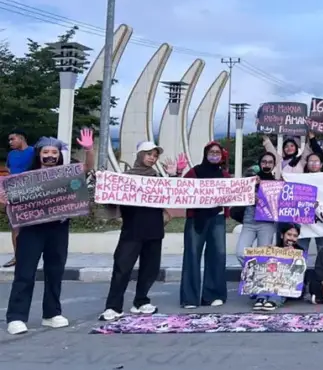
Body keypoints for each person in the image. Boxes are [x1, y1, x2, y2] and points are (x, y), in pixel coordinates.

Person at [4, 130, 95, 335]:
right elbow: (11, 198)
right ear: (39, 154)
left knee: (55, 272)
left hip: (58, 228)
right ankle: (16, 317)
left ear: (59, 155)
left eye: (54, 152)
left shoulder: (67, 174)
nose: (50, 155)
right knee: (25, 274)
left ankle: (52, 314)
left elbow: (88, 167)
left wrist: (89, 150)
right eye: (46, 152)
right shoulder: (26, 178)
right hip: (31, 230)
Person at [99, 142, 179, 322]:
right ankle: (113, 306)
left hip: (154, 230)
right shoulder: (125, 178)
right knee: (122, 268)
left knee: (150, 269)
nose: (152, 158)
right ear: (140, 155)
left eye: (155, 155)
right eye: (149, 154)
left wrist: (173, 175)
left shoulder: (158, 178)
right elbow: (111, 200)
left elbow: (175, 193)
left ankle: (141, 301)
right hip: (132, 230)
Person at [180, 141, 230, 309]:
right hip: (196, 218)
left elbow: (235, 193)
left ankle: (213, 295)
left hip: (217, 218)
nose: (215, 155)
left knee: (218, 255)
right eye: (211, 152)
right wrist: (176, 174)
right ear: (205, 154)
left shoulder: (224, 175)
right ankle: (190, 298)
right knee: (192, 256)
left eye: (217, 152)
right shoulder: (194, 172)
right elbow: (180, 190)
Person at [235, 153, 279, 265]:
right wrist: (251, 190)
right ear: (259, 163)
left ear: (274, 165)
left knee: (263, 256)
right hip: (250, 220)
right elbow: (238, 193)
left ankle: (257, 279)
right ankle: (251, 273)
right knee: (241, 252)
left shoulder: (277, 183)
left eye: (270, 162)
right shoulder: (250, 179)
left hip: (267, 222)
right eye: (264, 161)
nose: (267, 164)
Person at [252, 222, 305, 311]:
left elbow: (299, 272)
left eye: (295, 236)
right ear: (282, 235)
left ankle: (274, 300)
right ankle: (261, 298)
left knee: (279, 288)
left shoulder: (300, 251)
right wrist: (267, 253)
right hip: (272, 281)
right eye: (289, 234)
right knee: (266, 281)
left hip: (289, 284)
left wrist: (293, 256)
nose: (291, 238)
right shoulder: (275, 248)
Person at [4, 129, 36, 268]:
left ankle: (31, 256)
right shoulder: (11, 154)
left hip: (32, 193)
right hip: (13, 194)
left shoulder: (34, 152)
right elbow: (8, 170)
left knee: (31, 226)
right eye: (9, 140)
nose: (10, 142)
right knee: (15, 226)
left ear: (21, 139)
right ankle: (17, 257)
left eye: (13, 139)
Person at [296, 152, 323, 254]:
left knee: (322, 249)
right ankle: (300, 269)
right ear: (307, 164)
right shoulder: (299, 179)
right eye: (311, 161)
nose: (313, 164)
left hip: (322, 220)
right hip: (304, 220)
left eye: (316, 161)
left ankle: (322, 270)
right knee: (301, 248)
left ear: (321, 164)